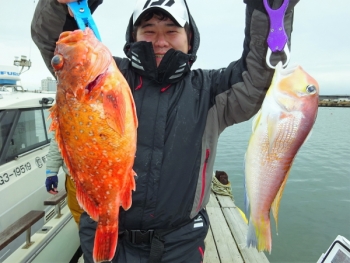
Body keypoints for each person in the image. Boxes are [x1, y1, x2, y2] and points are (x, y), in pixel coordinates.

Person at [31, 0, 299, 262]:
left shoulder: (211, 90)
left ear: (189, 38)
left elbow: (258, 75)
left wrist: (267, 6)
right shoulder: (104, 76)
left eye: (171, 31)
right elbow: (55, 44)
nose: (160, 41)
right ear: (133, 36)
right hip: (104, 229)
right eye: (148, 30)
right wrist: (61, 4)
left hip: (180, 244)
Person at [45, 135, 84, 226]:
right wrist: (51, 172)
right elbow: (57, 139)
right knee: (81, 217)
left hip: (108, 177)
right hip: (74, 179)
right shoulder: (62, 120)